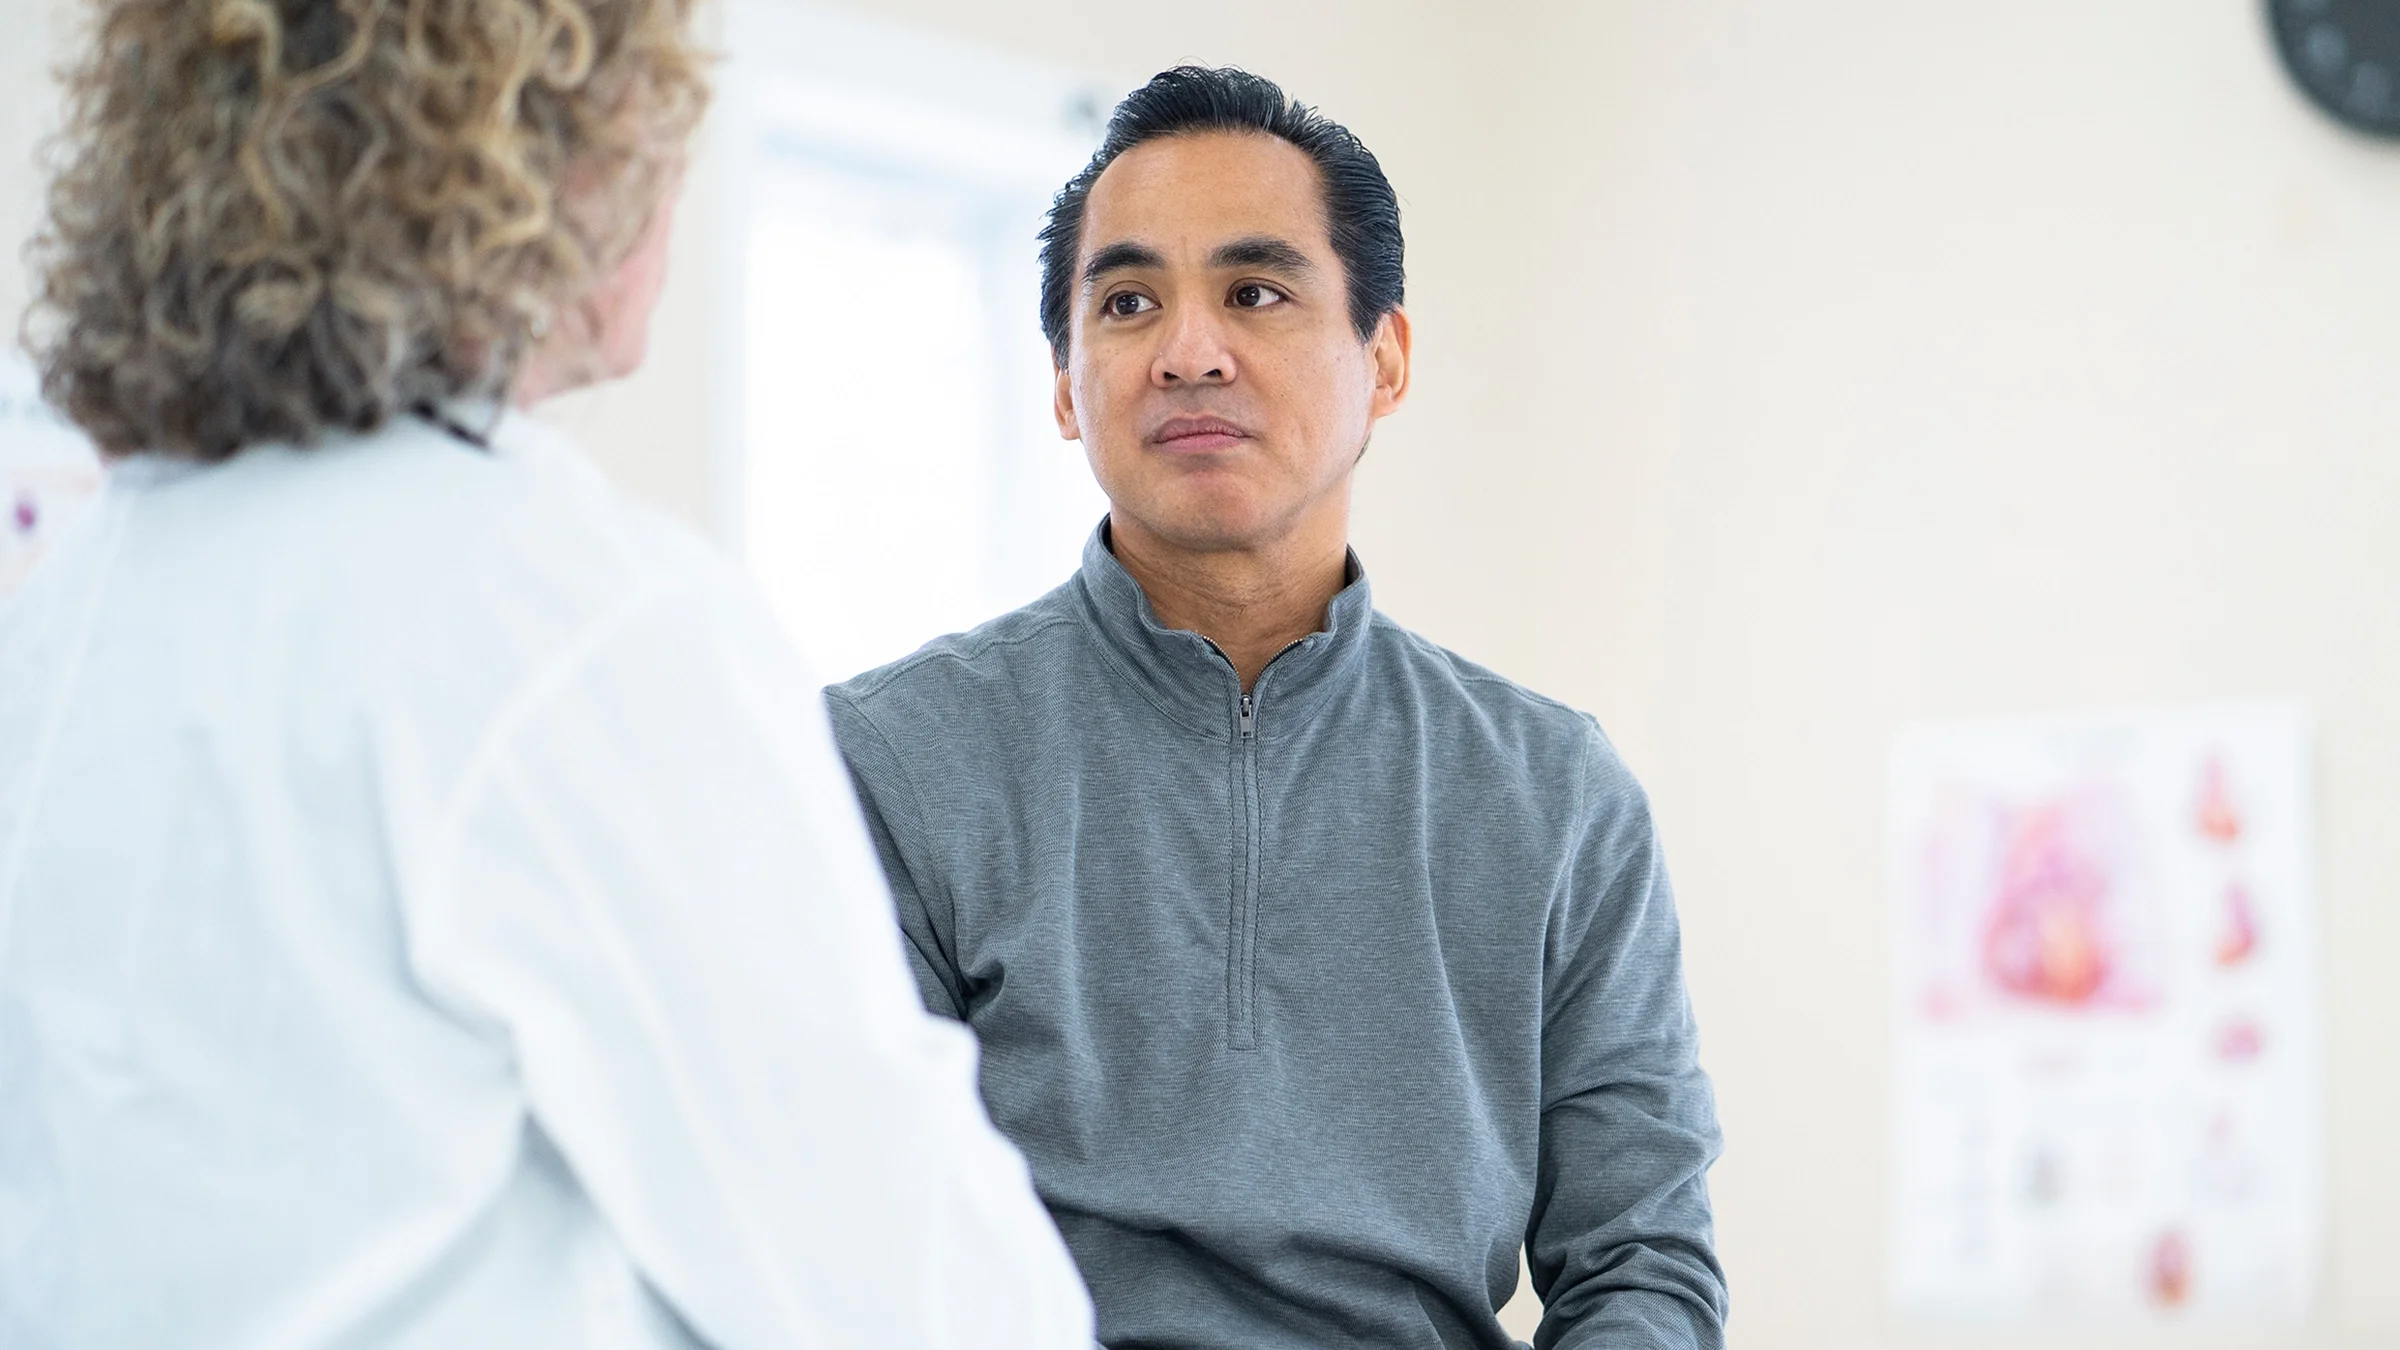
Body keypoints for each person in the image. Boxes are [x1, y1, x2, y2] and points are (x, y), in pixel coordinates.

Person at [0, 3, 1092, 1347]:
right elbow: (919, 1297)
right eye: (656, 122)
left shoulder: (74, 611)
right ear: (525, 170)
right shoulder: (566, 615)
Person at [826, 66, 1729, 1349]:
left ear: (1387, 358)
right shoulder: (886, 762)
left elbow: (1642, 1263)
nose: (1191, 351)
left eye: (1256, 292)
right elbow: (845, 1238)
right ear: (1069, 382)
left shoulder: (1556, 793)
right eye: (1129, 301)